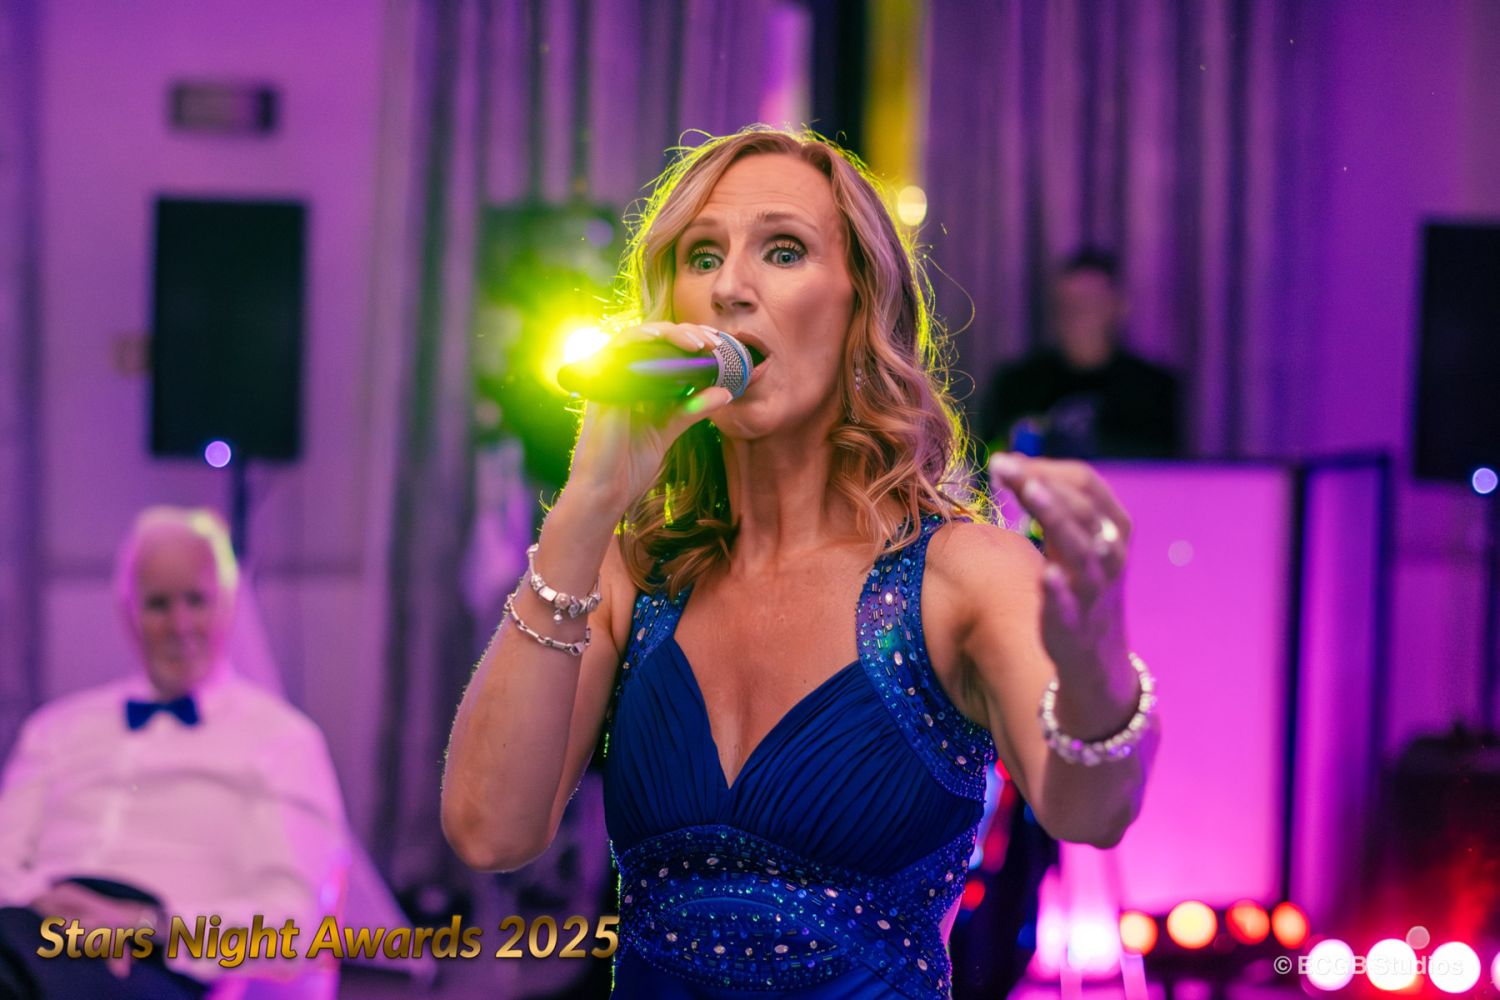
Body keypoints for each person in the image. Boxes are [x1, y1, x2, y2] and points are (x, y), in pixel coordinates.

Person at [442, 127, 1160, 998]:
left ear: (862, 306)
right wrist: (586, 506)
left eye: (782, 251)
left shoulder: (963, 576)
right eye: (703, 256)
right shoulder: (635, 574)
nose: (730, 288)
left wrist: (1093, 662)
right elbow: (488, 832)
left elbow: (1094, 812)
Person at [0, 506, 349, 999]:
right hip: (30, 926)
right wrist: (41, 903)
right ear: (128, 614)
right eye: (159, 604)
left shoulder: (283, 740)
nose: (180, 624)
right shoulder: (55, 729)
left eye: (196, 600)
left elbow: (292, 925)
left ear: (229, 606)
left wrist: (144, 925)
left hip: (159, 958)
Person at [977, 248, 1183, 459]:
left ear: (1119, 307)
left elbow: (1166, 463)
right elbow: (985, 457)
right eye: (1068, 306)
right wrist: (1011, 442)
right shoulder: (1016, 384)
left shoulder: (1153, 388)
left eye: (1090, 304)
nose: (1078, 316)